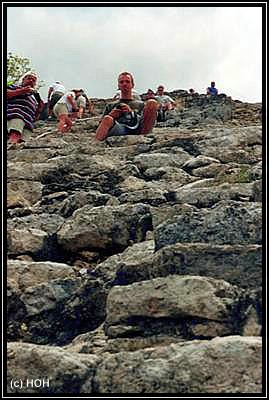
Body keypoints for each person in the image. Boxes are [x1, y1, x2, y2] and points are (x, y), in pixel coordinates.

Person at [95, 72, 159, 141]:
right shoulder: (110, 105)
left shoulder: (140, 104)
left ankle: (144, 138)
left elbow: (147, 121)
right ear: (118, 86)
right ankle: (97, 144)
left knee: (152, 103)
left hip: (138, 129)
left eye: (127, 81)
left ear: (132, 85)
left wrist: (131, 113)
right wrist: (112, 115)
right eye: (121, 82)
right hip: (119, 129)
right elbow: (101, 124)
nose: (124, 84)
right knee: (107, 118)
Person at [7, 71, 44, 144]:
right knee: (14, 135)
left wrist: (39, 109)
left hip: (28, 124)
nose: (31, 81)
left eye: (33, 80)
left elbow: (35, 117)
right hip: (16, 115)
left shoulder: (34, 98)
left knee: (21, 144)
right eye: (29, 78)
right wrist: (22, 91)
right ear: (23, 80)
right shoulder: (14, 87)